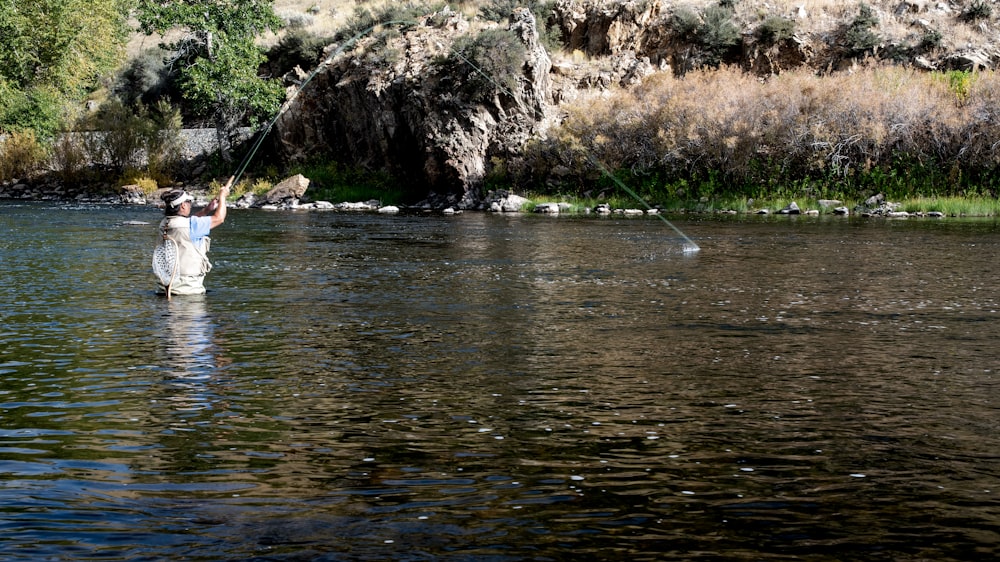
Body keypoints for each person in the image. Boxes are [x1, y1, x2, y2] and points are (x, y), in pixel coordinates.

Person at [156, 177, 232, 295]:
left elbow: (189, 223)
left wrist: (206, 210)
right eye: (188, 202)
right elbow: (219, 218)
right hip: (188, 290)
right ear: (182, 206)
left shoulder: (165, 223)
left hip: (165, 288)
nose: (190, 205)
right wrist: (222, 197)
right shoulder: (192, 225)